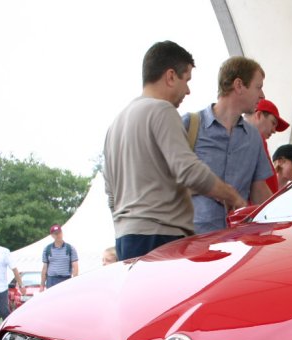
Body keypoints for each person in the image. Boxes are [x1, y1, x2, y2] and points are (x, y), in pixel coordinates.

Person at [104, 40, 245, 261]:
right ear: (170, 76)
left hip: (126, 238)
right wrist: (232, 196)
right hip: (161, 236)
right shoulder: (162, 110)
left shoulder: (117, 123)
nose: (187, 90)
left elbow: (111, 194)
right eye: (186, 79)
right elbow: (188, 170)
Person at [181, 56, 274, 233]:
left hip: (237, 242)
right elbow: (164, 181)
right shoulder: (190, 125)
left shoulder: (254, 137)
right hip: (191, 241)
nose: (262, 95)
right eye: (258, 87)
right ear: (239, 85)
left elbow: (259, 191)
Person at [241, 99, 289, 196]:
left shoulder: (250, 139)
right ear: (258, 115)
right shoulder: (253, 138)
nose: (274, 130)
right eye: (273, 123)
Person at [40, 225, 79, 290]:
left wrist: (74, 282)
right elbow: (44, 268)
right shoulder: (47, 249)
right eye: (56, 234)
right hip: (51, 280)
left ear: (62, 233)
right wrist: (42, 286)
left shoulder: (70, 248)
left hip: (65, 279)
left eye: (59, 232)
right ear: (52, 235)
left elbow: (75, 267)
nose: (58, 235)